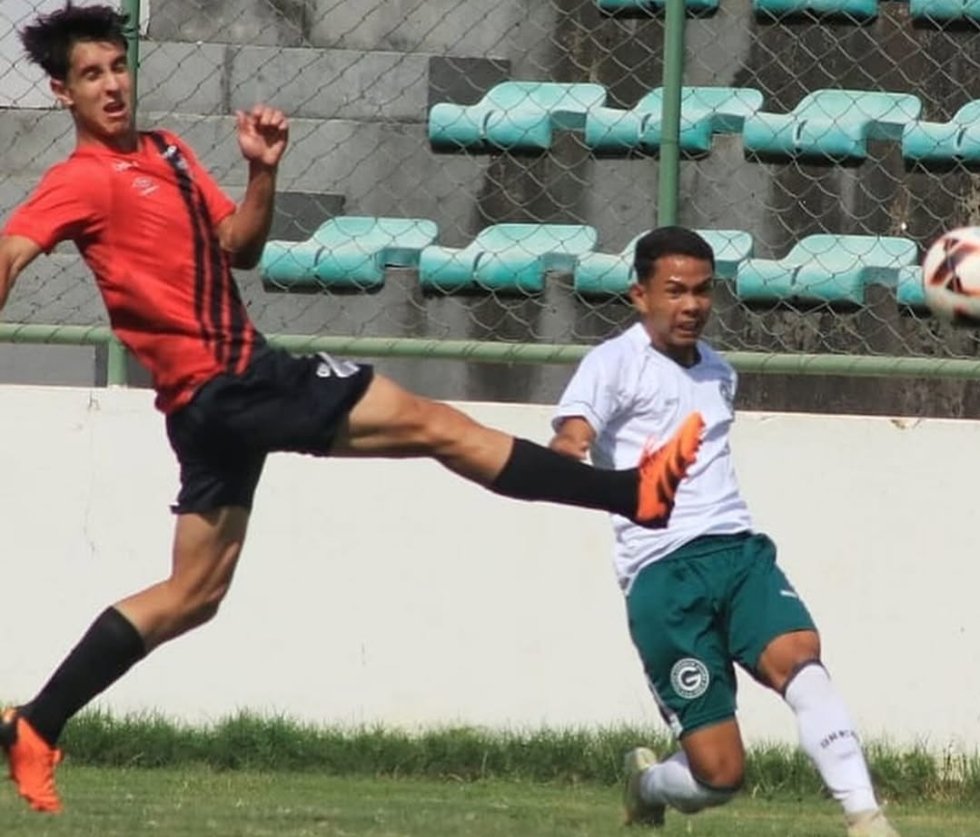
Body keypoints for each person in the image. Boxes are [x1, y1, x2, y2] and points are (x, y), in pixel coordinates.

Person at [0, 4, 706, 814]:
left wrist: (263, 170)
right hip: (236, 384)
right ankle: (631, 494)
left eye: (117, 66)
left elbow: (240, 248)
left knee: (193, 593)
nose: (113, 85)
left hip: (208, 408)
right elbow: (12, 250)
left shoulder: (166, 149)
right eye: (91, 76)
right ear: (62, 93)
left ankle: (37, 724)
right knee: (443, 429)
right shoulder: (77, 180)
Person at [548, 227, 898, 837]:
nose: (692, 306)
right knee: (719, 775)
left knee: (802, 660)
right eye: (676, 291)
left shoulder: (718, 372)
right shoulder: (612, 364)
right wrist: (569, 449)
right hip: (663, 575)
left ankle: (865, 818)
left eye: (704, 291)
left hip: (738, 552)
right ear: (640, 295)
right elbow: (575, 429)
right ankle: (649, 783)